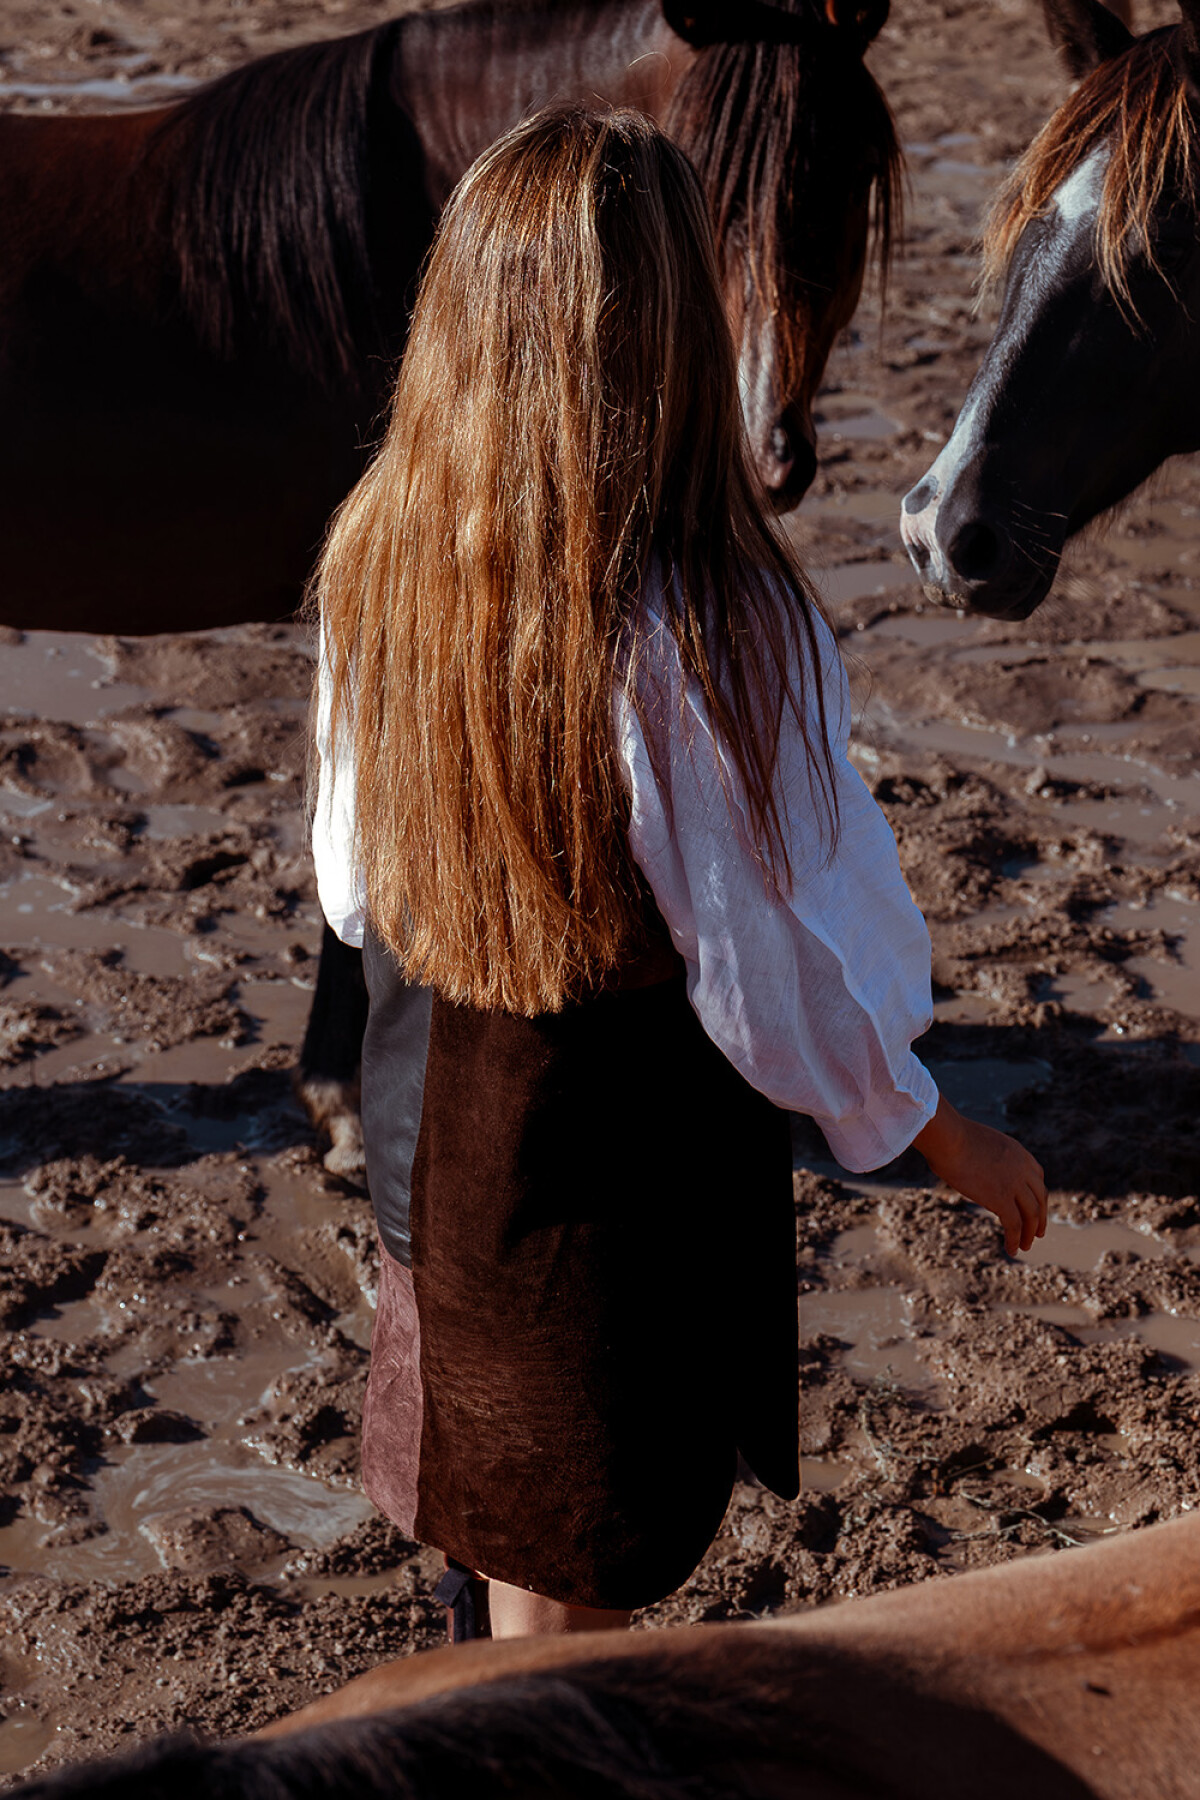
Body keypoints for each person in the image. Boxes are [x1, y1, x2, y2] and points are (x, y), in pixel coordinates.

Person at [311, 104, 1047, 1643]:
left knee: (483, 1513)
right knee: (561, 1615)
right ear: (675, 337)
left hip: (434, 1164)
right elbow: (780, 967)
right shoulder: (709, 627)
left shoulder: (384, 550)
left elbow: (352, 885)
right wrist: (933, 1129)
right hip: (607, 1204)